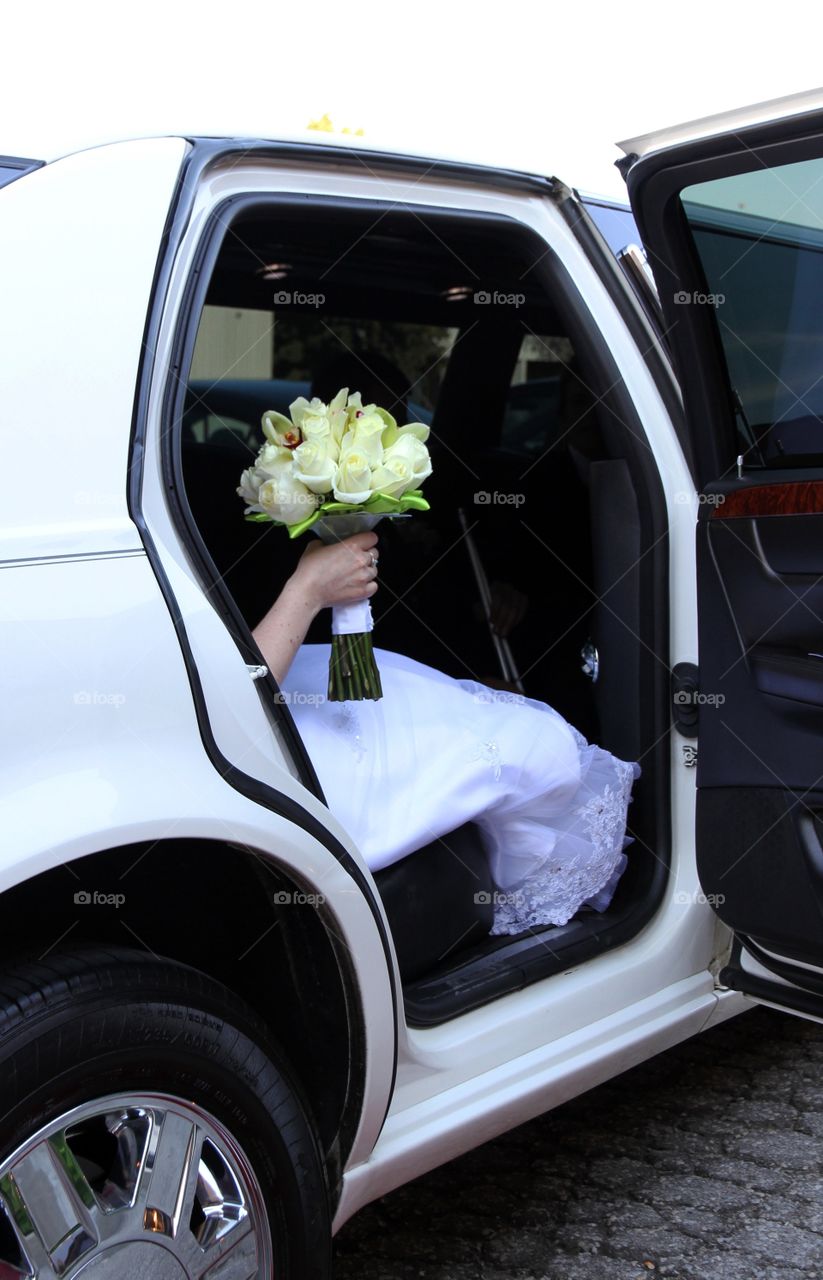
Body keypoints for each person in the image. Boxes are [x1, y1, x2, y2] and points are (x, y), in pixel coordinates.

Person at [251, 529, 641, 936]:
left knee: (470, 720)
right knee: (513, 747)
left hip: (271, 669)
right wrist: (307, 589)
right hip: (255, 718)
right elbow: (236, 703)